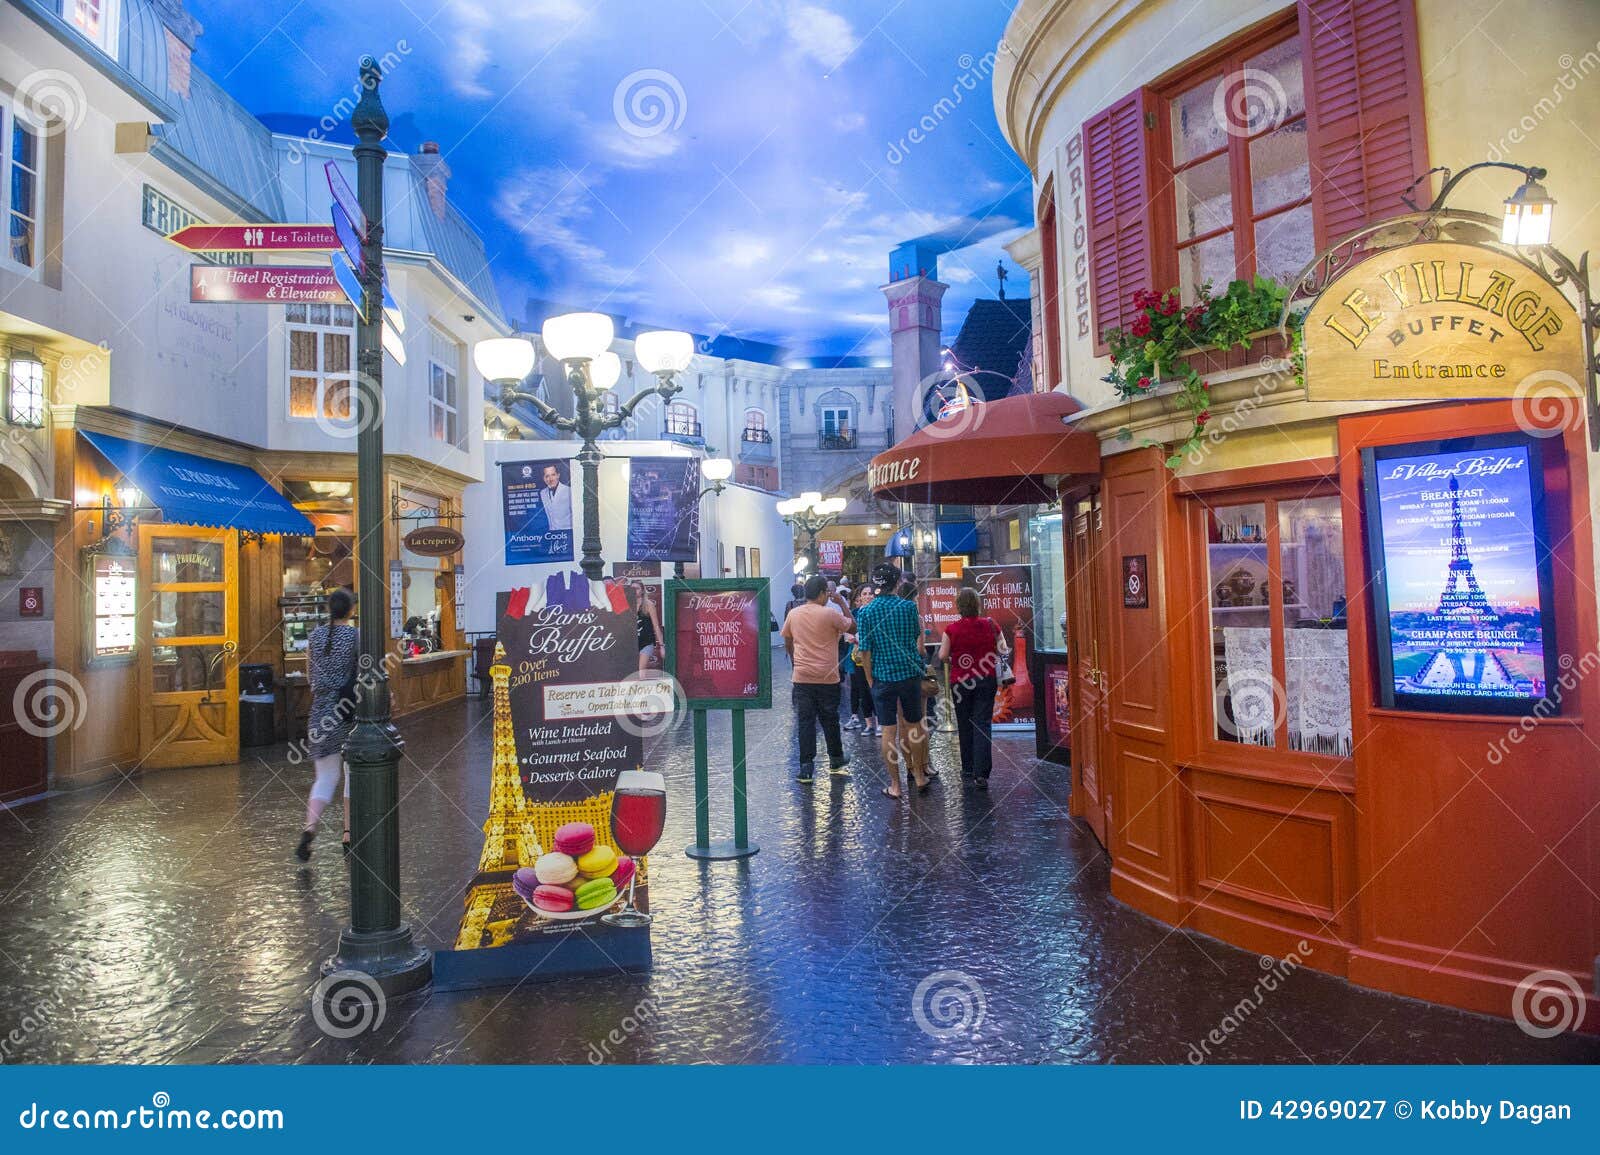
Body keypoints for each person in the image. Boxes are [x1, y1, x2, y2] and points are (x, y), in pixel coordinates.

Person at [855, 563, 931, 798]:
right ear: (897, 583)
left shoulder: (866, 612)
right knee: (914, 725)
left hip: (882, 677)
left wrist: (869, 679)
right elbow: (913, 637)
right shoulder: (908, 607)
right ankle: (919, 775)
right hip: (908, 674)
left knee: (888, 730)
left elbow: (865, 651)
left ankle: (895, 785)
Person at [297, 588, 358, 861]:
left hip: (320, 712)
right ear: (351, 610)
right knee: (351, 773)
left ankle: (309, 828)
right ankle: (348, 832)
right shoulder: (355, 636)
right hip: (346, 712)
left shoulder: (314, 636)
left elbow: (310, 676)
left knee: (325, 777)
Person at [781, 575, 854, 782]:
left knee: (805, 721)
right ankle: (836, 758)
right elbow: (853, 628)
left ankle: (806, 768)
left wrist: (796, 660)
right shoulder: (830, 614)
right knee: (830, 719)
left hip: (802, 677)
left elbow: (788, 640)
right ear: (823, 593)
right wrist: (842, 604)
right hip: (828, 676)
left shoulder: (794, 614)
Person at [937, 587, 1008, 788]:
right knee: (983, 723)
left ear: (958, 606)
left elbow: (942, 656)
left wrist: (956, 659)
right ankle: (981, 772)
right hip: (986, 678)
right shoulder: (991, 624)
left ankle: (967, 767)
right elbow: (1003, 649)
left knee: (965, 722)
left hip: (961, 681)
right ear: (978, 604)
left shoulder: (952, 629)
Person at [846, 586, 878, 735]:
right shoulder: (857, 614)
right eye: (864, 594)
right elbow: (848, 633)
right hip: (858, 657)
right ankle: (868, 723)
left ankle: (879, 723)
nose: (868, 596)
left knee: (876, 690)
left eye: (870, 593)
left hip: (876, 657)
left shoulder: (878, 611)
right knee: (863, 691)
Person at [631, 580, 665, 673]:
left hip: (646, 641)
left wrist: (661, 646)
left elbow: (656, 626)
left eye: (637, 588)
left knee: (640, 671)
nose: (634, 591)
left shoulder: (648, 605)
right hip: (631, 643)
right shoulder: (628, 605)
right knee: (631, 672)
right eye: (632, 588)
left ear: (642, 590)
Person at [539, 463, 572, 531]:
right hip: (552, 534)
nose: (551, 479)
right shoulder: (542, 493)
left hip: (568, 533)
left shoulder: (569, 491)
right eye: (547, 476)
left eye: (553, 475)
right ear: (544, 478)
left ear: (558, 475)